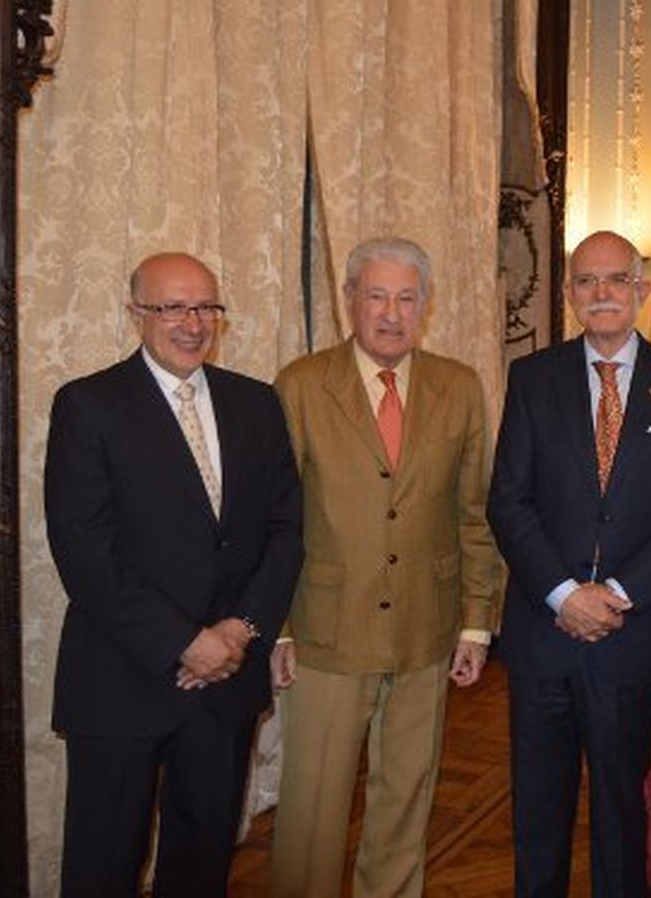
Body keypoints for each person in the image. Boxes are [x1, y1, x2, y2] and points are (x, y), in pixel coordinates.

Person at [44, 252, 303, 896]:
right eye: (172, 307)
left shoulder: (256, 402)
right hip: (121, 681)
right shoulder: (87, 405)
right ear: (136, 315)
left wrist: (240, 631)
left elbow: (285, 529)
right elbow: (85, 553)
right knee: (102, 866)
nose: (193, 323)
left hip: (225, 686)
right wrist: (186, 642)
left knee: (203, 861)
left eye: (206, 307)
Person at [487, 230, 651, 896]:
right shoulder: (532, 378)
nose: (602, 293)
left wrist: (612, 595)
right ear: (568, 295)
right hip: (543, 632)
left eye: (616, 279)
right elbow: (510, 501)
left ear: (641, 289)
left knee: (621, 811)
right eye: (586, 281)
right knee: (538, 813)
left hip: (630, 636)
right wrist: (564, 594)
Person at [269, 237, 501, 897]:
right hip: (327, 632)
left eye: (407, 297)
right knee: (313, 805)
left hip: (425, 635)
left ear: (425, 306)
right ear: (350, 301)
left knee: (406, 798)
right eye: (377, 295)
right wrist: (279, 627)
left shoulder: (458, 386)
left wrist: (476, 624)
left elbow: (473, 511)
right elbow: (276, 519)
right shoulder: (302, 385)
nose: (391, 313)